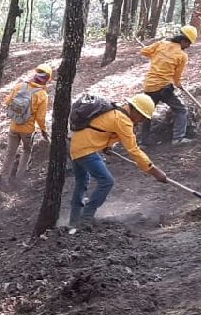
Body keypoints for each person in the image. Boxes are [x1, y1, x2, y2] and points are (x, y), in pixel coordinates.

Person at [68, 94, 168, 222]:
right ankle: (87, 217)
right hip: (86, 150)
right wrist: (153, 170)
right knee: (107, 181)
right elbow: (134, 150)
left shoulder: (115, 111)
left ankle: (74, 219)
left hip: (75, 147)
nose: (141, 120)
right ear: (136, 111)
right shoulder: (123, 120)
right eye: (142, 117)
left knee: (81, 183)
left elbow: (100, 129)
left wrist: (106, 146)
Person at [139, 25, 197, 146]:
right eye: (189, 43)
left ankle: (143, 141)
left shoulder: (161, 44)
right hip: (163, 88)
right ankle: (178, 138)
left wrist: (156, 56)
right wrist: (178, 85)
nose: (189, 47)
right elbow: (176, 77)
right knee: (181, 110)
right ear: (183, 41)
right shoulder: (182, 56)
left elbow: (144, 51)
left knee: (147, 113)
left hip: (149, 87)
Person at [0, 64, 52, 183]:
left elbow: (7, 102)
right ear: (47, 79)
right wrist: (44, 131)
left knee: (10, 153)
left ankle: (4, 178)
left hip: (13, 126)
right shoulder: (42, 95)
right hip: (27, 130)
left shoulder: (19, 86)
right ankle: (19, 177)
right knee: (27, 150)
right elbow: (40, 118)